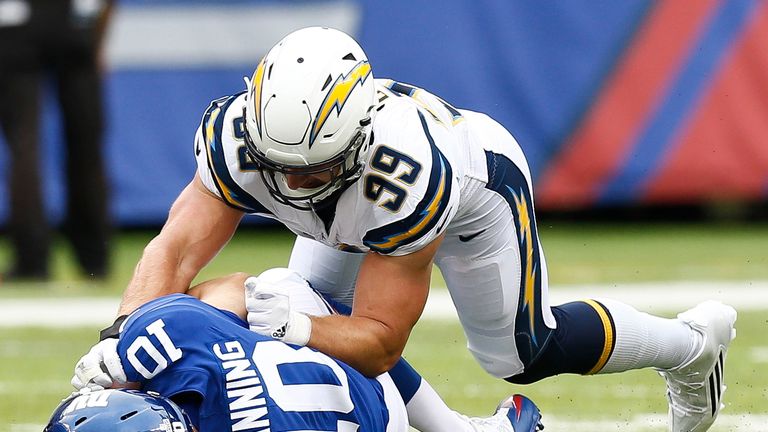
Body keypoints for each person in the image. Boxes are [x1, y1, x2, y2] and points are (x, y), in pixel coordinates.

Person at [73, 26, 737, 432]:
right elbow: (172, 255)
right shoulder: (239, 139)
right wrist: (124, 342)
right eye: (281, 168)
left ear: (355, 138)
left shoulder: (407, 178)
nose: (293, 185)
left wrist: (299, 326)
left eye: (313, 169)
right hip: (357, 206)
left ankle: (689, 345)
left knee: (517, 354)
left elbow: (382, 341)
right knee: (299, 319)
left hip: (475, 187)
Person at [64, 269, 544, 432]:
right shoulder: (171, 332)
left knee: (272, 290)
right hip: (320, 392)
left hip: (374, 414)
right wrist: (128, 338)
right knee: (276, 285)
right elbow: (227, 291)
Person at [0, 0, 113, 281]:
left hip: (17, 25)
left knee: (24, 145)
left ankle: (32, 261)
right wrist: (98, 41)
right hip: (75, 22)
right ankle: (94, 260)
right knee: (86, 147)